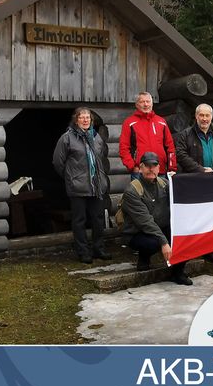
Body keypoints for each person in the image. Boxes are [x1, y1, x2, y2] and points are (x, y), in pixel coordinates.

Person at [120, 151, 192, 285]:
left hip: (160, 227)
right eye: (147, 166)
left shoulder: (164, 184)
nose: (150, 169)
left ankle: (178, 273)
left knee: (183, 235)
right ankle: (144, 256)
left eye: (154, 166)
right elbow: (145, 222)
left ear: (159, 168)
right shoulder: (132, 191)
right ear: (140, 168)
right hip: (137, 233)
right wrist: (164, 242)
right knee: (153, 243)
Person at [53, 107, 111, 264]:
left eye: (88, 118)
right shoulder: (67, 138)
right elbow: (58, 162)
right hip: (78, 186)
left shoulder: (96, 136)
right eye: (82, 117)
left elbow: (102, 157)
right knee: (79, 220)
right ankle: (83, 252)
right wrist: (71, 177)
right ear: (76, 120)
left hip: (96, 186)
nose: (85, 120)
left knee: (98, 219)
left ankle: (98, 249)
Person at [175, 103, 213, 263]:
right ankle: (192, 248)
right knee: (194, 217)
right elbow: (181, 154)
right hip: (194, 182)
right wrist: (201, 170)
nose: (204, 119)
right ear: (196, 116)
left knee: (211, 216)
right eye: (201, 115)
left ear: (212, 117)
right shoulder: (185, 135)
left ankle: (209, 249)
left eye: (207, 116)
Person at [119, 92, 177, 179]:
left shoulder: (161, 122)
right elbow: (123, 147)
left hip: (160, 171)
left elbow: (170, 146)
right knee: (140, 193)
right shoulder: (129, 122)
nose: (145, 104)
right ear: (137, 104)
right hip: (139, 172)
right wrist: (132, 167)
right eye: (142, 102)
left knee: (162, 193)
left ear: (152, 104)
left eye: (148, 101)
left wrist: (171, 167)